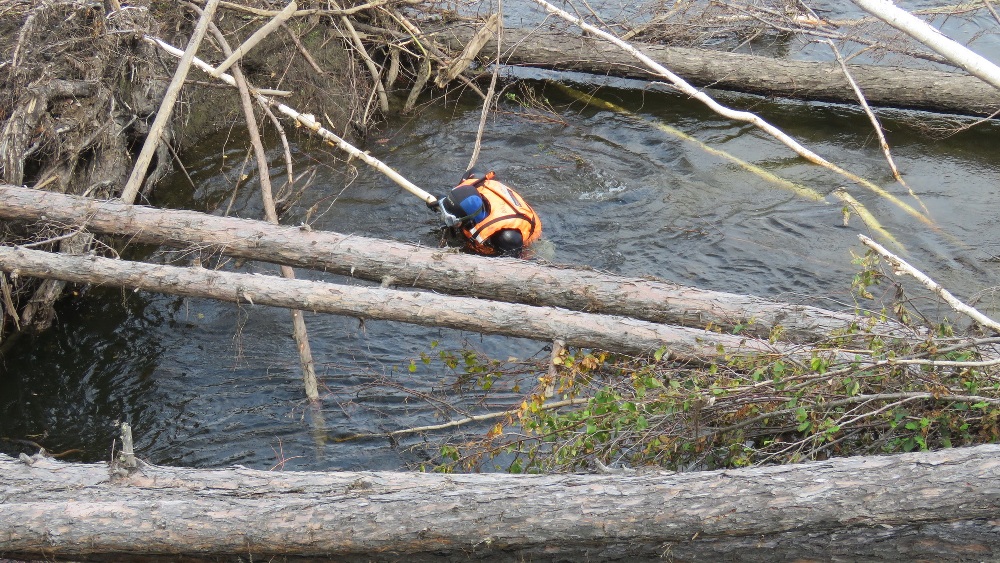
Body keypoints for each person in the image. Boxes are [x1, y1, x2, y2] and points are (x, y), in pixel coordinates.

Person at [428, 169, 542, 257]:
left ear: (469, 220)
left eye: (450, 219)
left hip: (529, 240)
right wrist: (445, 202)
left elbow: (512, 267)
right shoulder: (475, 182)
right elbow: (474, 170)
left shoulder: (506, 237)